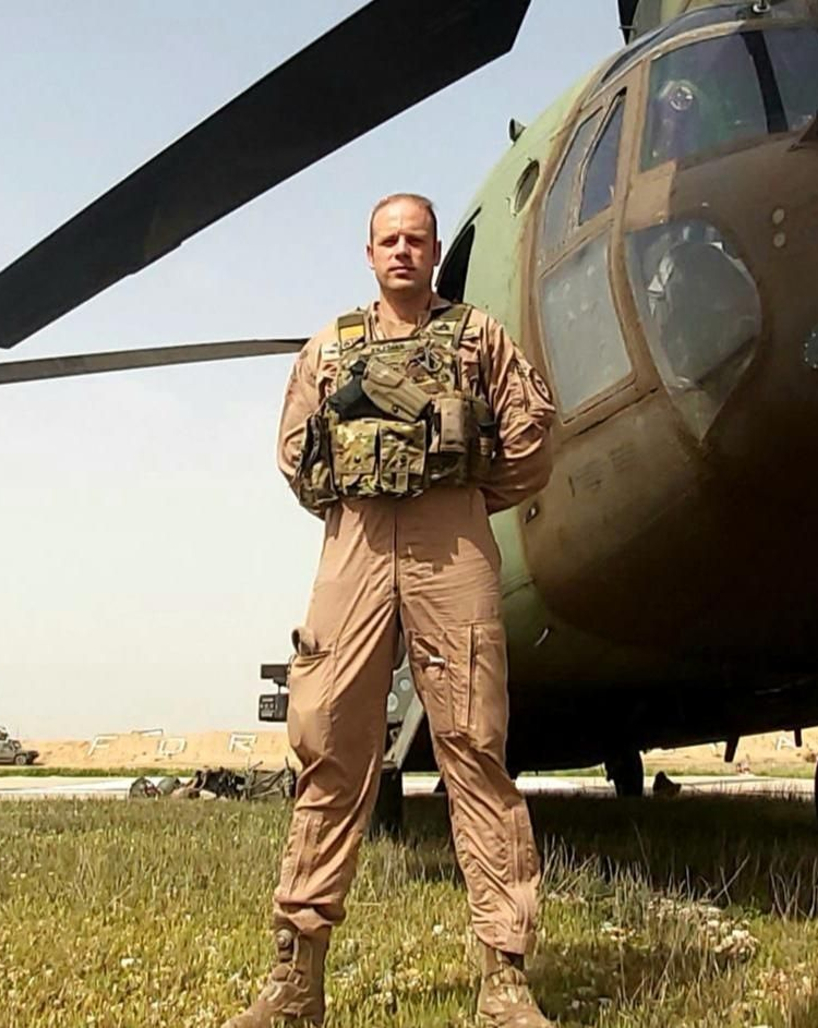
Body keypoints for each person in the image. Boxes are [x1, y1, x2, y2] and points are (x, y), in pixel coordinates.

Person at [223, 194, 557, 1027]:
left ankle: (505, 978)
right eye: (388, 240)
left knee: (474, 748)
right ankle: (295, 978)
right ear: (368, 254)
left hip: (454, 543)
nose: (403, 251)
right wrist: (358, 499)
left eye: (416, 239)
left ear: (436, 250)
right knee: (331, 747)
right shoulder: (331, 349)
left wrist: (468, 490)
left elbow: (532, 433)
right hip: (357, 546)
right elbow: (297, 453)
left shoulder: (480, 338)